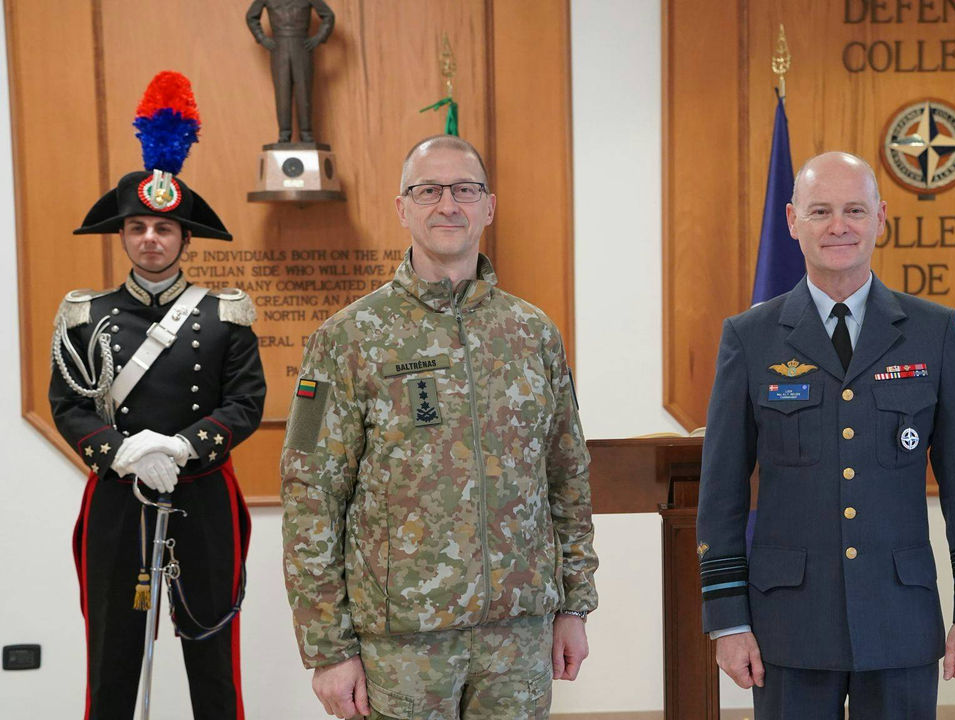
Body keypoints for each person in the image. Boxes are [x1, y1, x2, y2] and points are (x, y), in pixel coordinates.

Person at [281, 135, 597, 719]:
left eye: (465, 190)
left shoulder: (533, 334)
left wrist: (574, 605)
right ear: (402, 208)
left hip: (518, 638)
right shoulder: (347, 338)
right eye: (428, 190)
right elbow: (310, 496)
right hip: (401, 644)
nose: (448, 204)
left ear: (488, 207)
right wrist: (327, 649)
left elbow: (567, 477)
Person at [696, 152, 955, 720]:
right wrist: (727, 619)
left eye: (855, 210)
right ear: (792, 221)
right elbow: (721, 492)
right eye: (820, 211)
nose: (839, 226)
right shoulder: (751, 337)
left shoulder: (934, 331)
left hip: (899, 617)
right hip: (787, 624)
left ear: (880, 218)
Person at [50, 169, 265, 716]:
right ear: (122, 235)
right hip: (119, 499)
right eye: (138, 227)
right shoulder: (85, 316)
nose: (150, 238)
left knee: (214, 657)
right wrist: (122, 452)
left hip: (202, 495)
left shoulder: (224, 316)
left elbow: (245, 403)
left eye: (164, 228)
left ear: (185, 238)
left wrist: (181, 447)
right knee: (111, 654)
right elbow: (68, 404)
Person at [246, 0, 335, 144]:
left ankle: (306, 133)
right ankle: (284, 134)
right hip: (279, 47)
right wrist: (262, 38)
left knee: (304, 91)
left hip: (302, 45)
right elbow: (251, 17)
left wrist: (319, 38)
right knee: (282, 92)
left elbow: (328, 16)